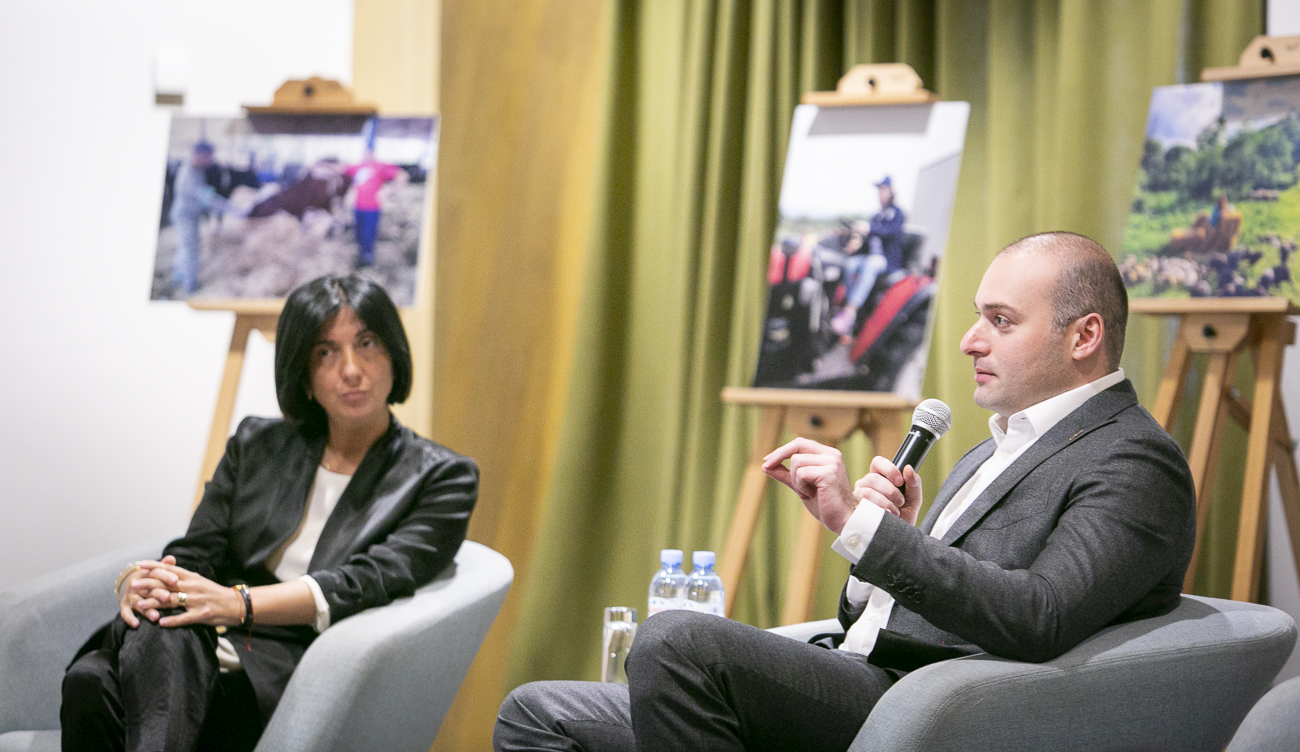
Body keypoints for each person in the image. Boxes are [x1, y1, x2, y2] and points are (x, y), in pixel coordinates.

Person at [493, 231, 1196, 752]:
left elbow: (1040, 616)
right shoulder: (997, 445)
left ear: (1084, 336)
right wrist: (887, 545)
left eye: (1000, 320)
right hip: (859, 676)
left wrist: (866, 532)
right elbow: (900, 607)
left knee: (676, 641)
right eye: (978, 316)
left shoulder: (1133, 459)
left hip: (926, 710)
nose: (969, 341)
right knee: (538, 715)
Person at [61, 274, 478, 752]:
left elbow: (366, 581)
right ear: (302, 372)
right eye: (325, 352)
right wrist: (146, 580)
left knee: (97, 680)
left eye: (367, 344)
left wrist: (238, 603)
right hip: (198, 639)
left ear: (394, 353)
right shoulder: (256, 443)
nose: (351, 369)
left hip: (289, 662)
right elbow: (198, 550)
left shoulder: (442, 477)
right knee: (94, 677)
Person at [831, 176, 906, 336]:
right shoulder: (877, 216)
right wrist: (853, 244)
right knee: (850, 263)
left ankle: (850, 311)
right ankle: (846, 304)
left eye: (883, 190)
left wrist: (869, 228)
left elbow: (891, 233)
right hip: (872, 257)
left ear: (891, 192)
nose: (880, 194)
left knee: (871, 263)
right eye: (879, 191)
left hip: (887, 260)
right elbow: (868, 242)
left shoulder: (897, 213)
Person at [169, 142, 228, 296]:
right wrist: (230, 208)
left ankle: (178, 279)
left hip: (191, 215)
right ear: (200, 155)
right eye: (209, 156)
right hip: (185, 216)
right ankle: (190, 286)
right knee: (191, 250)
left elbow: (206, 194)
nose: (211, 160)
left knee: (185, 248)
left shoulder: (197, 170)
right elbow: (206, 198)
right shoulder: (188, 174)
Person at [345, 148, 407, 267]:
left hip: (372, 207)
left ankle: (367, 260)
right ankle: (360, 257)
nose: (366, 154)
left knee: (368, 234)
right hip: (358, 207)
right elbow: (341, 169)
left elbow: (403, 176)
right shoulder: (358, 167)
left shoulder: (380, 166)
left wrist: (388, 191)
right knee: (358, 233)